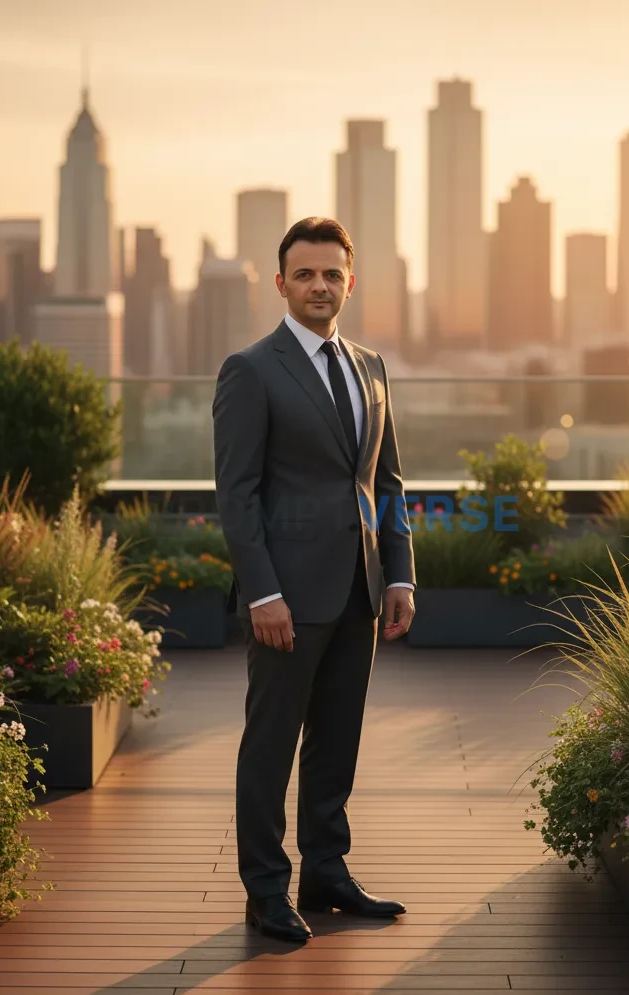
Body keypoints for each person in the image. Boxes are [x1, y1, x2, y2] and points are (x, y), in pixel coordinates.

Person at [212, 216, 416, 943]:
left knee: (337, 741)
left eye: (332, 274)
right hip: (286, 598)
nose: (319, 286)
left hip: (359, 587)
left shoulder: (371, 367)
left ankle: (326, 873)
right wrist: (262, 592)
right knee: (270, 744)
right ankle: (265, 890)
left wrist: (401, 574)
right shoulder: (252, 369)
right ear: (281, 284)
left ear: (350, 282)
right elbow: (236, 494)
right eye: (305, 275)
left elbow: (385, 480)